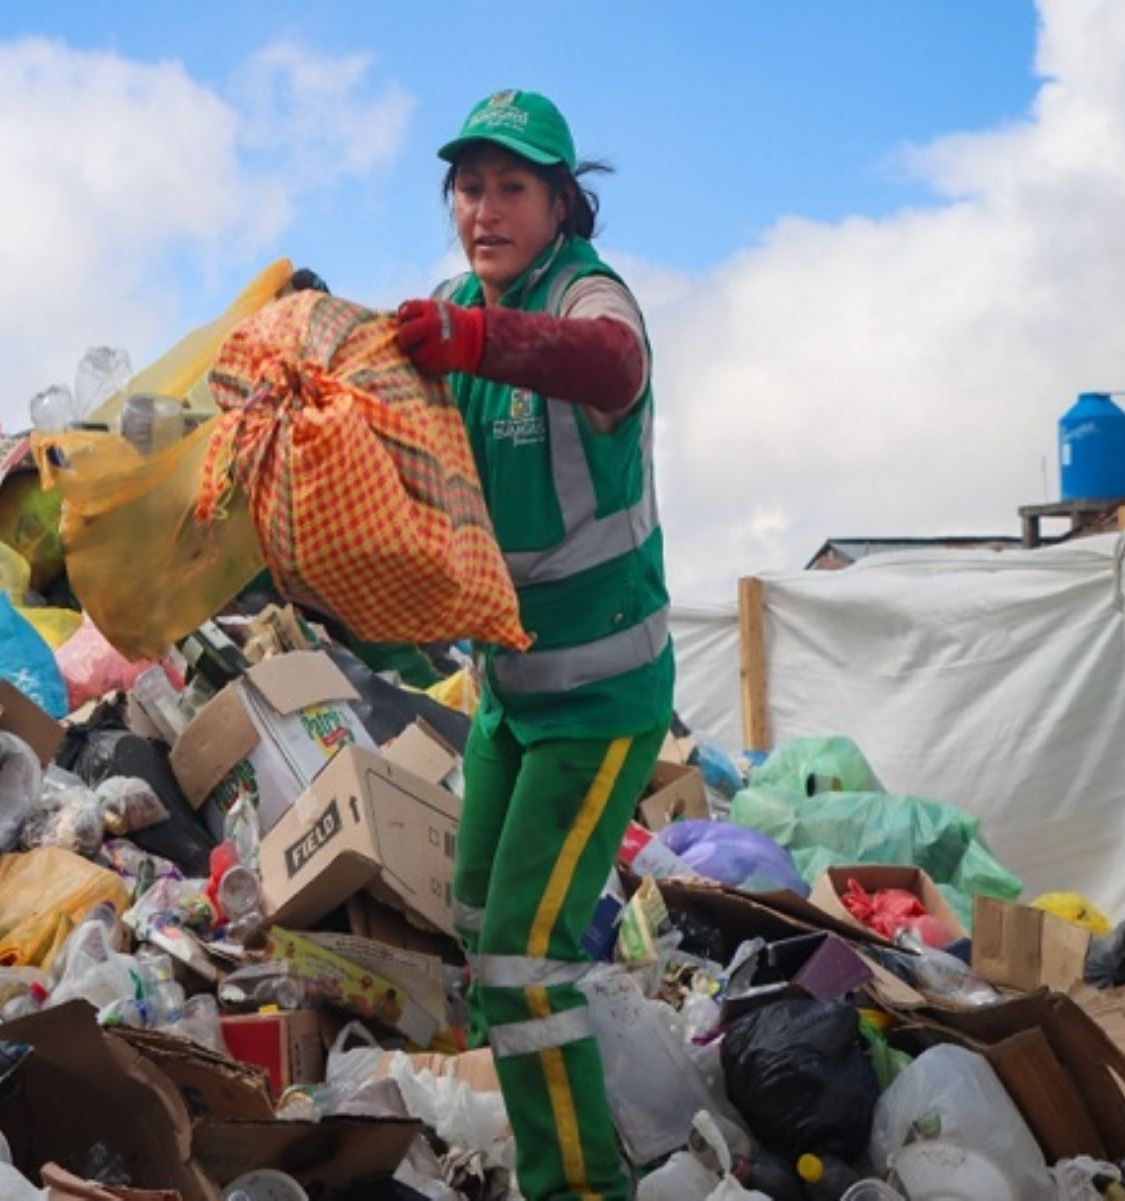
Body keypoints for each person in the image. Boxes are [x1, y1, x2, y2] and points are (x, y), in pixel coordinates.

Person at [393, 89, 674, 1201]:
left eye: (513, 186)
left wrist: (477, 338)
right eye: (469, 185)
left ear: (562, 201)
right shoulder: (454, 306)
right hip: (508, 690)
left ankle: (579, 1189)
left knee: (522, 952)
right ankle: (528, 1135)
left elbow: (609, 365)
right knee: (480, 927)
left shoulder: (585, 295)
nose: (485, 208)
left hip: (601, 694)